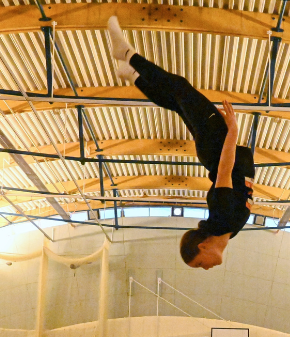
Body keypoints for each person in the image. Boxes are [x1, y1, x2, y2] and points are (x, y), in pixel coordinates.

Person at [107, 17, 254, 270]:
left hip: (217, 145)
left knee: (180, 88)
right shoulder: (230, 230)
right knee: (178, 102)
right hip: (214, 147)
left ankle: (127, 54)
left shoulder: (222, 220)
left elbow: (225, 171)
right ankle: (132, 74)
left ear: (203, 247)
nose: (205, 268)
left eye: (199, 263)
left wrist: (232, 131)